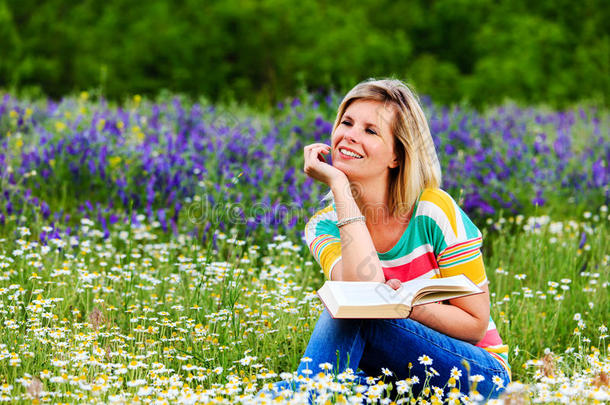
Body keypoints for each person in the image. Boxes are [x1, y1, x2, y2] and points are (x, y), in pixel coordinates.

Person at [286, 78, 511, 401]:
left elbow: (475, 324)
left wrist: (405, 306)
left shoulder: (434, 211)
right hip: (389, 371)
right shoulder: (323, 227)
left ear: (396, 156)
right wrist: (339, 186)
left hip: (476, 372)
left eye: (370, 130)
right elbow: (360, 291)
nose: (350, 135)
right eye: (346, 123)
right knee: (302, 388)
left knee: (354, 319)